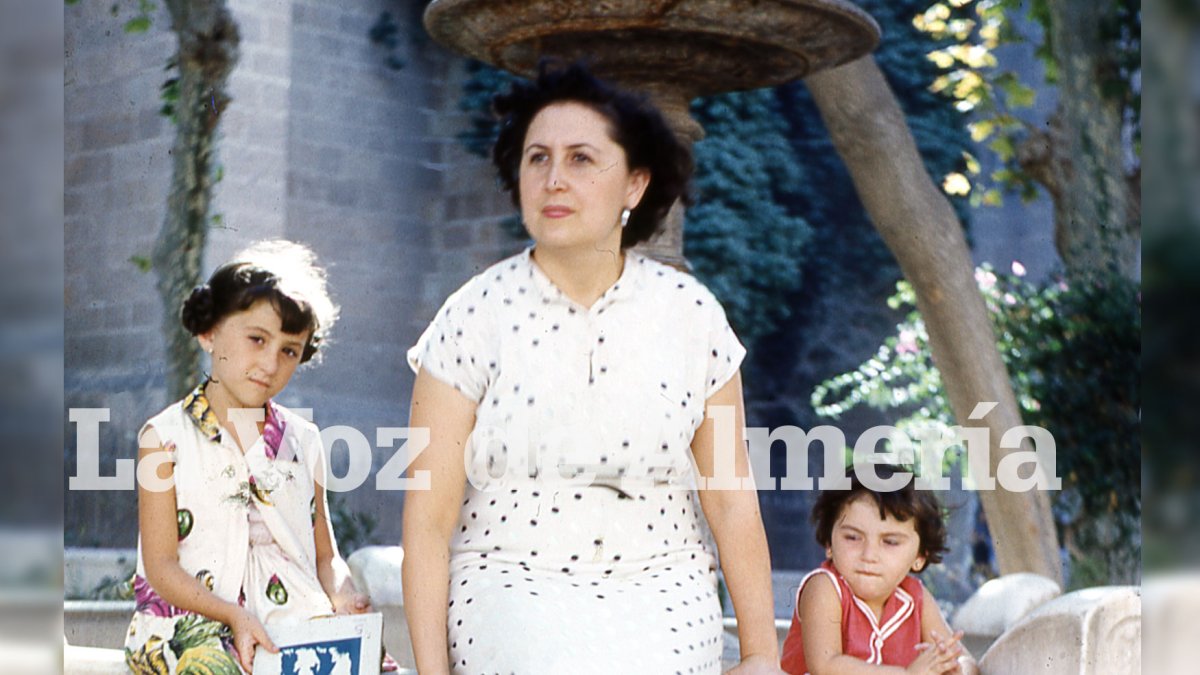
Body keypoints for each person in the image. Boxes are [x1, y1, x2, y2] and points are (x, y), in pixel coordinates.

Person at [403, 61, 784, 674]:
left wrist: (763, 654)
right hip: (510, 584)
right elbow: (427, 523)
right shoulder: (472, 315)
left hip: (663, 585)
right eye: (538, 158)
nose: (554, 179)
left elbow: (732, 501)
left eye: (581, 159)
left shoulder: (690, 314)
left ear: (634, 185)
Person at [124, 240, 395, 674]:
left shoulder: (303, 441)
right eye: (257, 339)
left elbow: (325, 556)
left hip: (294, 618)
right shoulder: (164, 438)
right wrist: (233, 615)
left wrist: (343, 596)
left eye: (289, 350)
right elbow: (160, 566)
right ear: (209, 332)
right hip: (197, 624)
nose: (270, 363)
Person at [779, 464, 980, 675]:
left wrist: (955, 669)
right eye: (853, 538)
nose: (869, 555)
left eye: (890, 542)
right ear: (829, 543)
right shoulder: (824, 588)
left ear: (920, 557)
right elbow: (826, 666)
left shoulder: (915, 599)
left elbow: (967, 660)